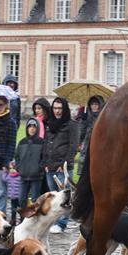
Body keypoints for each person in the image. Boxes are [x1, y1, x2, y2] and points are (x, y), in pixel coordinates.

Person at [42, 96, 79, 233]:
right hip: (49, 165)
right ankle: (54, 221)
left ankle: (62, 223)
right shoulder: (50, 123)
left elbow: (73, 145)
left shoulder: (71, 124)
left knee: (64, 196)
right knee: (54, 196)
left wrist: (65, 162)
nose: (57, 111)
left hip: (62, 166)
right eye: (55, 108)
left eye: (60, 108)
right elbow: (46, 143)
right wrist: (44, 162)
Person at [14, 118, 45, 207]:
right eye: (30, 126)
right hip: (23, 175)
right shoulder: (22, 142)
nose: (32, 129)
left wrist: (39, 168)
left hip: (37, 176)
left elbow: (44, 157)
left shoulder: (41, 142)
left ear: (37, 128)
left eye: (34, 127)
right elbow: (17, 157)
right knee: (21, 198)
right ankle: (23, 218)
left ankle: (34, 219)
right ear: (27, 128)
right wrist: (19, 168)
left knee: (35, 200)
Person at [78, 95, 105, 176]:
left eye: (96, 104)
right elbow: (81, 132)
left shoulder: (103, 117)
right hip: (86, 145)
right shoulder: (87, 116)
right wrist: (83, 121)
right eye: (92, 104)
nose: (94, 106)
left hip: (99, 146)